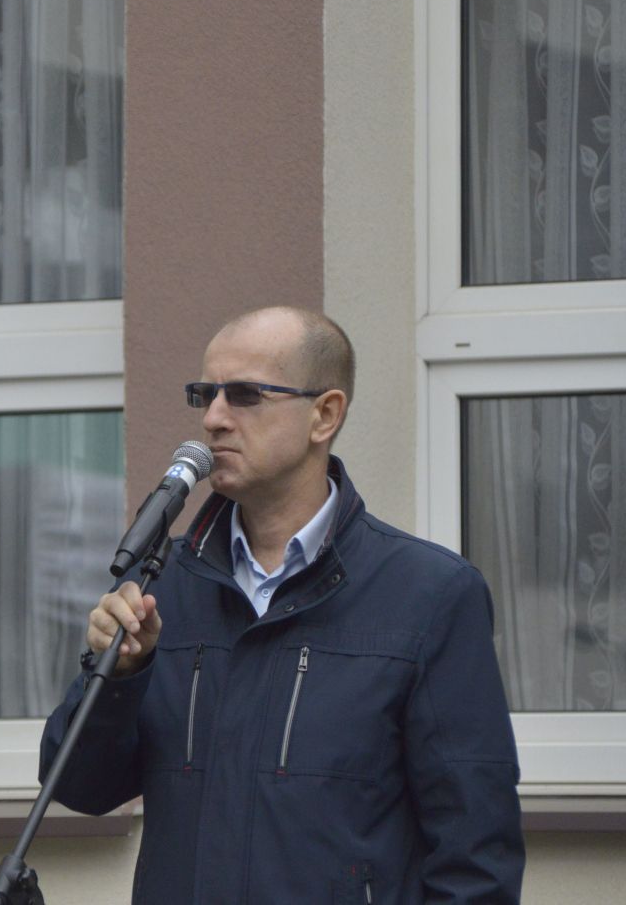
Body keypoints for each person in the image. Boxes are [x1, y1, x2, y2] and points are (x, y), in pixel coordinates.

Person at [40, 307, 524, 904]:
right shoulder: (164, 585)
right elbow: (80, 788)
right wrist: (119, 677)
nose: (213, 419)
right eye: (206, 394)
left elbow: (476, 853)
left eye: (244, 395)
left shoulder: (430, 595)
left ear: (325, 414)